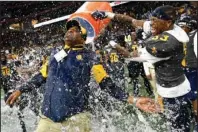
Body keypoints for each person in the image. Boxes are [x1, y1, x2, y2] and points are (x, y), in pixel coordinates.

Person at [6, 20, 159, 132]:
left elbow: (106, 83)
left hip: (76, 118)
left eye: (75, 30)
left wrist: (133, 99)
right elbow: (40, 76)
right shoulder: (54, 54)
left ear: (83, 38)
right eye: (68, 30)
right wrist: (20, 90)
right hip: (47, 118)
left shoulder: (91, 57)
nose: (69, 32)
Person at [91, 5, 193, 132]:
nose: (152, 24)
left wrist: (113, 44)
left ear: (168, 23)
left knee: (179, 127)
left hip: (174, 93)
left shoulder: (166, 44)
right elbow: (133, 21)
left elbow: (129, 55)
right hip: (176, 84)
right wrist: (107, 14)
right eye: (152, 19)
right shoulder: (171, 27)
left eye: (155, 21)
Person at [177, 14, 198, 129]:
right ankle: (190, 117)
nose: (181, 28)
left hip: (193, 69)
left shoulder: (195, 35)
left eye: (183, 25)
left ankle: (196, 119)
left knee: (195, 95)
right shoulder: (181, 37)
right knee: (186, 95)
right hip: (183, 69)